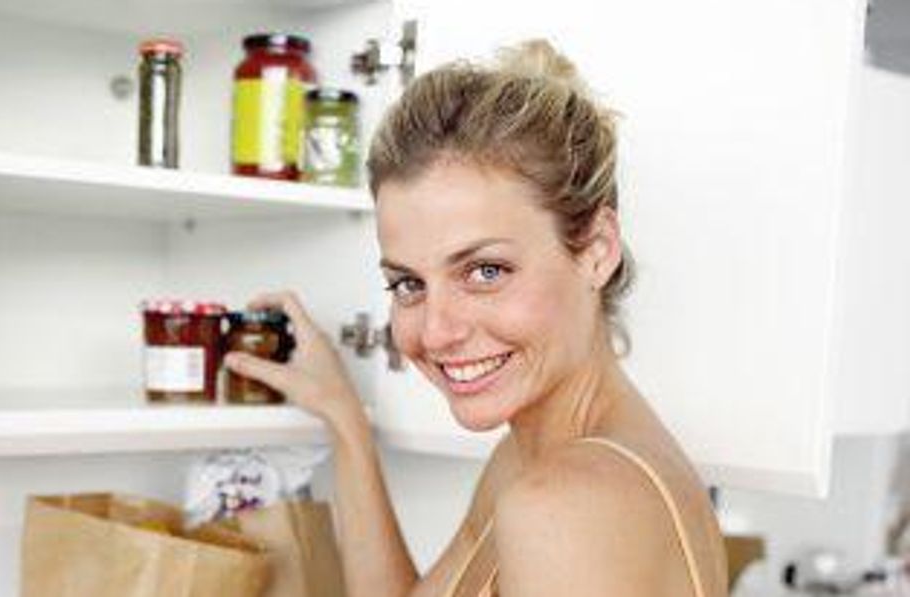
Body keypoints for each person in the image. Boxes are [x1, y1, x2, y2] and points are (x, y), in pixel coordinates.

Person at [224, 39, 728, 597]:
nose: (436, 332)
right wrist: (346, 423)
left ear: (596, 251)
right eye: (409, 284)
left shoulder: (568, 503)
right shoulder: (528, 460)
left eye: (485, 271)